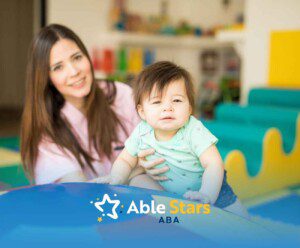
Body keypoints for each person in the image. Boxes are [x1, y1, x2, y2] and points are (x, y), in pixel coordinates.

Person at [20, 24, 167, 188]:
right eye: (58, 67)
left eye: (77, 57)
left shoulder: (121, 95)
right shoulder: (47, 132)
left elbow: (166, 154)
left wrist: (136, 174)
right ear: (46, 78)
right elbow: (79, 192)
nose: (74, 71)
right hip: (89, 209)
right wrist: (134, 171)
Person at [98, 61, 249, 218]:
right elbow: (125, 160)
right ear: (142, 112)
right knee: (138, 180)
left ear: (189, 108)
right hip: (172, 194)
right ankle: (172, 216)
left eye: (176, 100)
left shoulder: (193, 130)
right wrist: (116, 177)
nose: (167, 107)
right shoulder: (141, 131)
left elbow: (214, 164)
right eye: (157, 102)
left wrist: (207, 194)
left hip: (213, 191)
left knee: (244, 226)